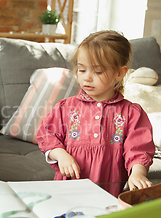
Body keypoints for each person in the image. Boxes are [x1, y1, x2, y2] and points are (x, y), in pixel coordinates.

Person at [36, 30, 154, 197]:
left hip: (109, 190)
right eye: (82, 70)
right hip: (68, 190)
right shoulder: (66, 107)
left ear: (119, 73)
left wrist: (137, 173)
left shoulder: (131, 113)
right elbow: (47, 135)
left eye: (98, 72)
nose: (87, 78)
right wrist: (61, 155)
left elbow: (138, 149)